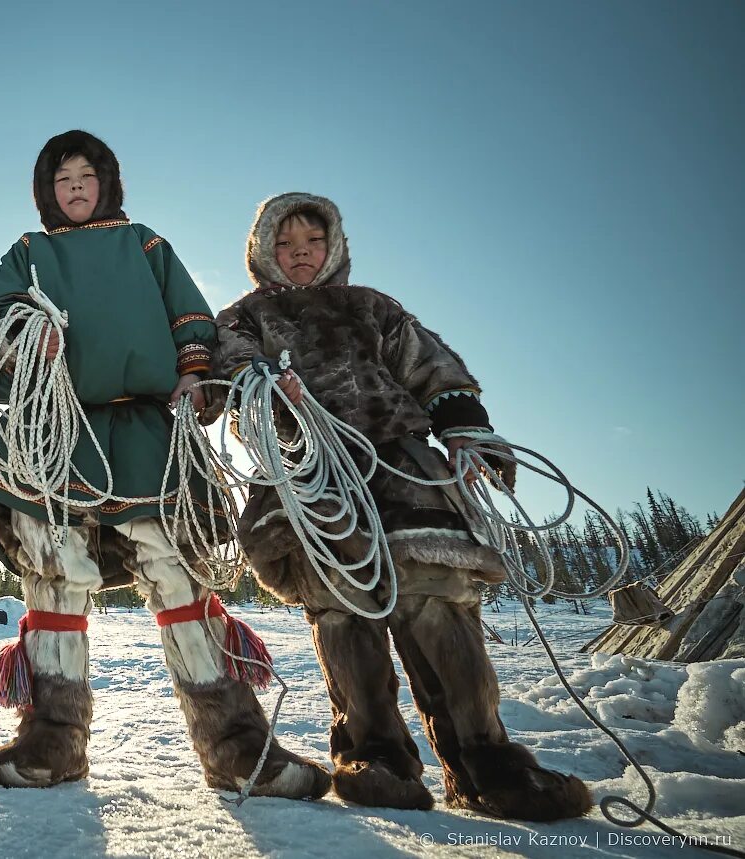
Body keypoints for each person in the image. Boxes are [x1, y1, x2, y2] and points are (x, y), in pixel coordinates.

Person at [0, 131, 330, 799]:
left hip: (143, 425)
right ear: (46, 191)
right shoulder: (29, 251)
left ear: (106, 183)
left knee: (177, 571)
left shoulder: (146, 244)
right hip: (53, 427)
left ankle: (236, 743)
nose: (74, 186)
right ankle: (52, 739)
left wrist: (193, 374)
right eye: (61, 178)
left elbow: (191, 317)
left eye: (85, 175)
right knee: (52, 568)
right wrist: (23, 329)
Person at [204, 192, 592, 820]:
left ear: (334, 248)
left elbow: (431, 367)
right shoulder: (246, 317)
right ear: (261, 253)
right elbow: (229, 367)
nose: (299, 256)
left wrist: (464, 425)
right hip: (312, 475)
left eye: (312, 243)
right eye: (284, 245)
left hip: (403, 470)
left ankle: (484, 761)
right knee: (341, 607)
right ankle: (374, 754)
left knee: (435, 599)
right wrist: (265, 385)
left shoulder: (372, 308)